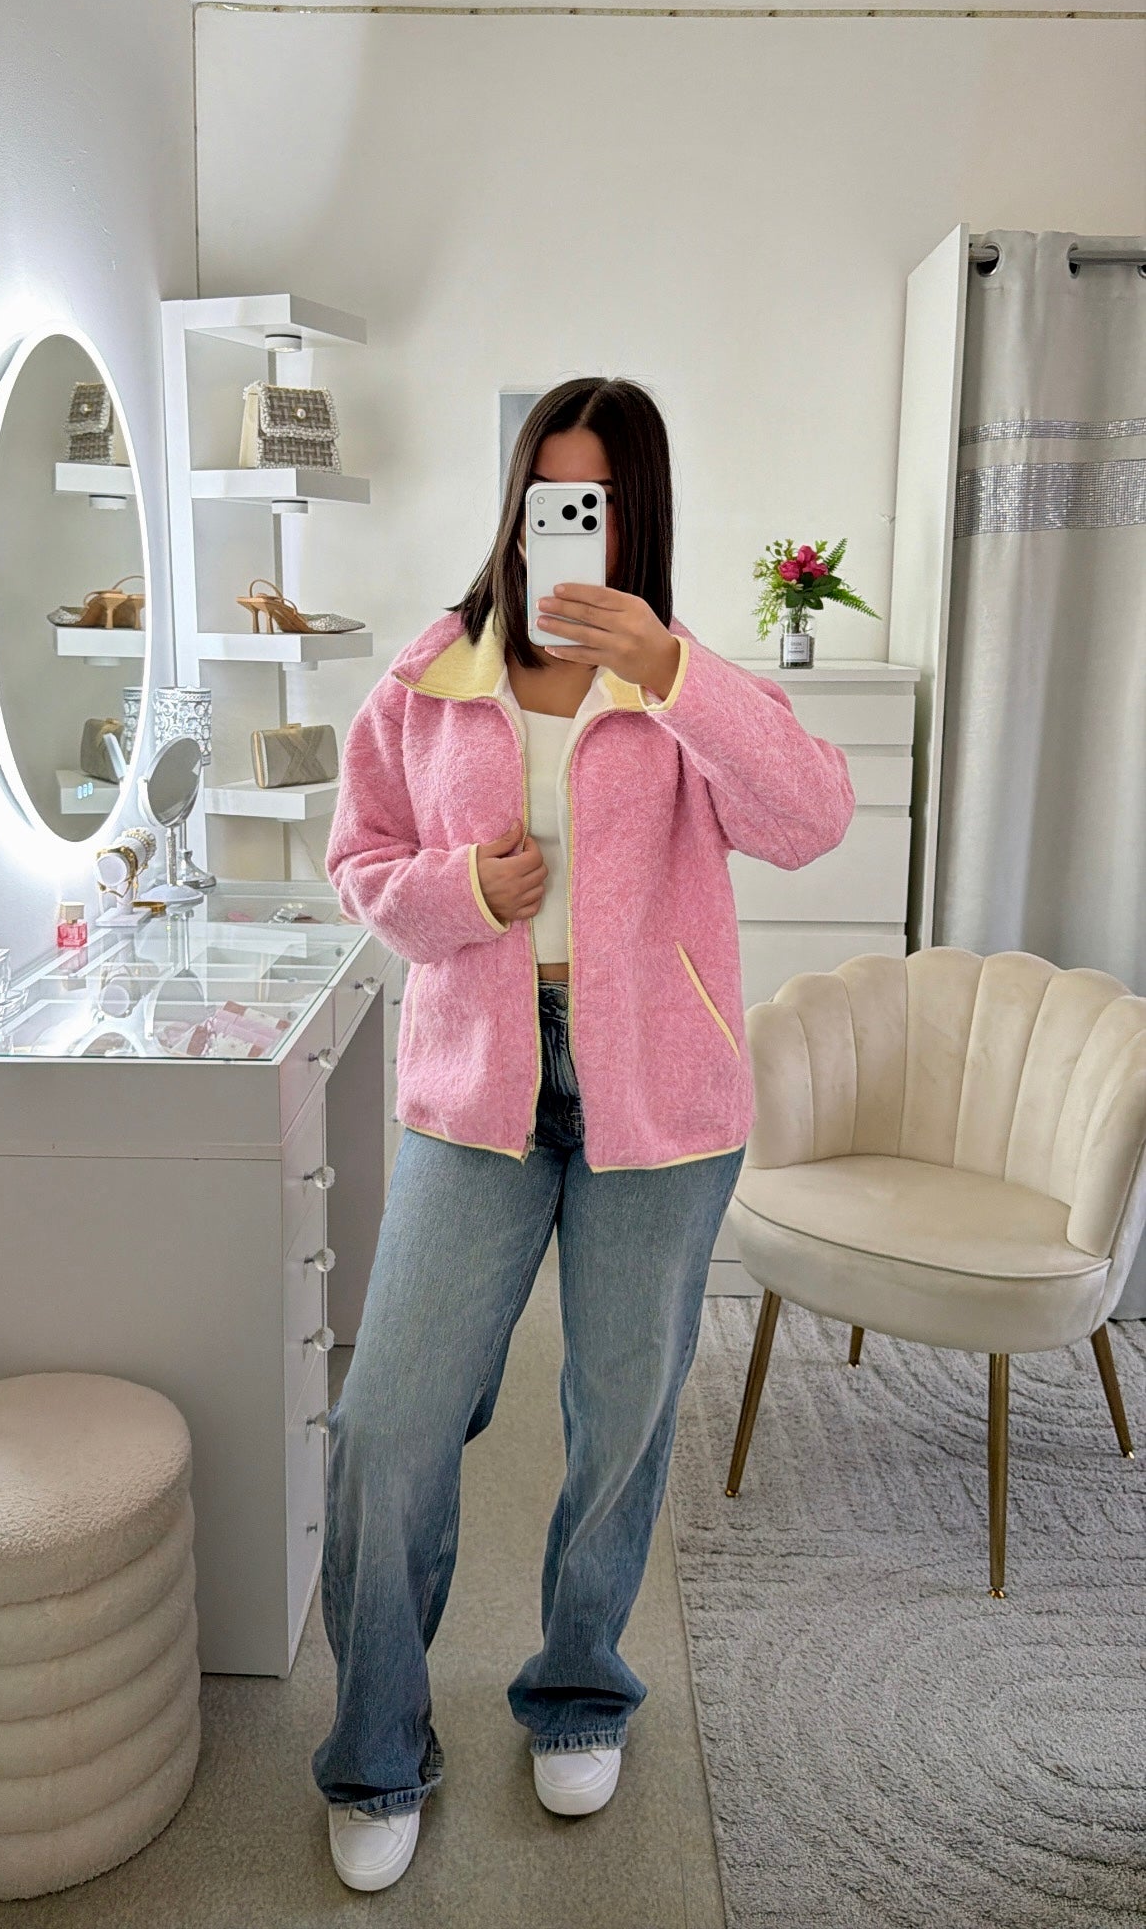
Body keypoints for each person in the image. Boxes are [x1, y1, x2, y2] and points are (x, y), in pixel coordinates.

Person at [312, 376, 856, 1891]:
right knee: (389, 1422)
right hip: (475, 1086)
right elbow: (359, 860)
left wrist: (671, 668)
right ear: (514, 506)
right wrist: (460, 894)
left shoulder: (682, 687)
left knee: (620, 1417)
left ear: (635, 522)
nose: (570, 526)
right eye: (549, 495)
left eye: (598, 503)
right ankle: (374, 1745)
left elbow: (813, 816)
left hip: (660, 1104)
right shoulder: (431, 678)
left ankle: (577, 1687)